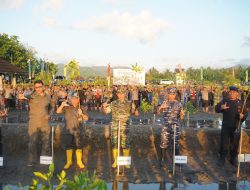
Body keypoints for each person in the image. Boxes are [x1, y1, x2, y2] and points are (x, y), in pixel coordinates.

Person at [102, 86, 135, 169]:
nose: (121, 95)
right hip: (115, 126)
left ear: (125, 94)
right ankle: (115, 161)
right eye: (119, 93)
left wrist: (134, 109)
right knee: (114, 144)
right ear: (117, 94)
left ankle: (126, 162)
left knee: (126, 144)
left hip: (125, 127)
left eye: (122, 93)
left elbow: (135, 113)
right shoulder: (113, 103)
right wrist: (104, 107)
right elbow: (105, 112)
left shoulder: (129, 103)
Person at [215, 86, 248, 166]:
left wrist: (242, 116)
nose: (231, 93)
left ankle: (233, 158)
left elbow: (246, 113)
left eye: (233, 92)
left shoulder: (241, 103)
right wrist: (221, 107)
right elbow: (216, 108)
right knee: (224, 142)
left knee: (235, 143)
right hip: (226, 126)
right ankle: (222, 158)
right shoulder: (225, 101)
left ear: (237, 94)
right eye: (230, 92)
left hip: (236, 127)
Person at [56, 92, 88, 169]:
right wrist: (62, 105)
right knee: (68, 146)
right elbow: (58, 112)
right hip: (68, 130)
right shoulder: (67, 107)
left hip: (79, 130)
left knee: (79, 146)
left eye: (76, 99)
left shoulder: (82, 108)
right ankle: (69, 162)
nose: (74, 100)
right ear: (70, 99)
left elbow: (86, 118)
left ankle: (79, 161)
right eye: (73, 98)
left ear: (78, 99)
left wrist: (82, 114)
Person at [26, 80, 52, 166]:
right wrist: (31, 92)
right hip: (33, 122)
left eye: (40, 87)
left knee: (46, 141)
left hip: (45, 122)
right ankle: (31, 160)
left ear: (43, 86)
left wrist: (49, 114)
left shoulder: (48, 96)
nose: (38, 89)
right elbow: (24, 96)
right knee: (32, 141)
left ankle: (44, 160)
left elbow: (51, 107)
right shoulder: (31, 95)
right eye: (36, 87)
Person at [157, 87, 185, 167]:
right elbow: (157, 112)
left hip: (175, 126)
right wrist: (161, 108)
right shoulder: (164, 102)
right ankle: (162, 159)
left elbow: (180, 117)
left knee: (176, 143)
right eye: (170, 94)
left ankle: (177, 161)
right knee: (164, 142)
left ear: (175, 94)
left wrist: (182, 115)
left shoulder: (179, 104)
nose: (171, 96)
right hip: (166, 126)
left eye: (173, 94)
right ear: (168, 94)